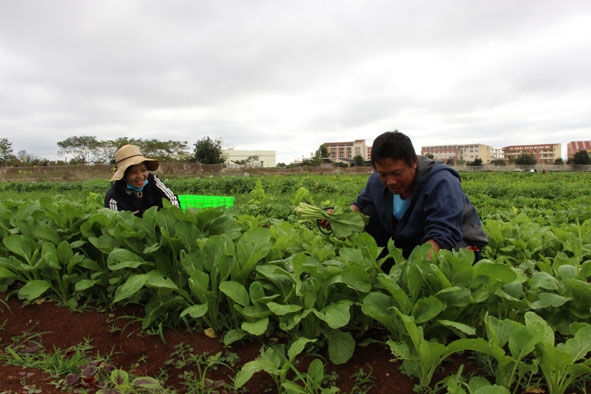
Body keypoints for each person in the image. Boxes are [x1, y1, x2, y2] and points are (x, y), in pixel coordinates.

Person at [322, 131, 487, 267]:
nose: (390, 181)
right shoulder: (377, 181)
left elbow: (442, 235)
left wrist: (414, 273)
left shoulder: (441, 182)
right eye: (383, 174)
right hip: (414, 239)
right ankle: (386, 266)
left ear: (414, 163)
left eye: (397, 173)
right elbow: (359, 206)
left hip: (456, 242)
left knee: (451, 263)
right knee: (368, 212)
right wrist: (335, 217)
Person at [104, 144, 179, 216]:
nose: (140, 176)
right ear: (123, 176)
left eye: (143, 170)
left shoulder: (153, 181)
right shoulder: (113, 196)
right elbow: (115, 222)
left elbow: (172, 199)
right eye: (133, 172)